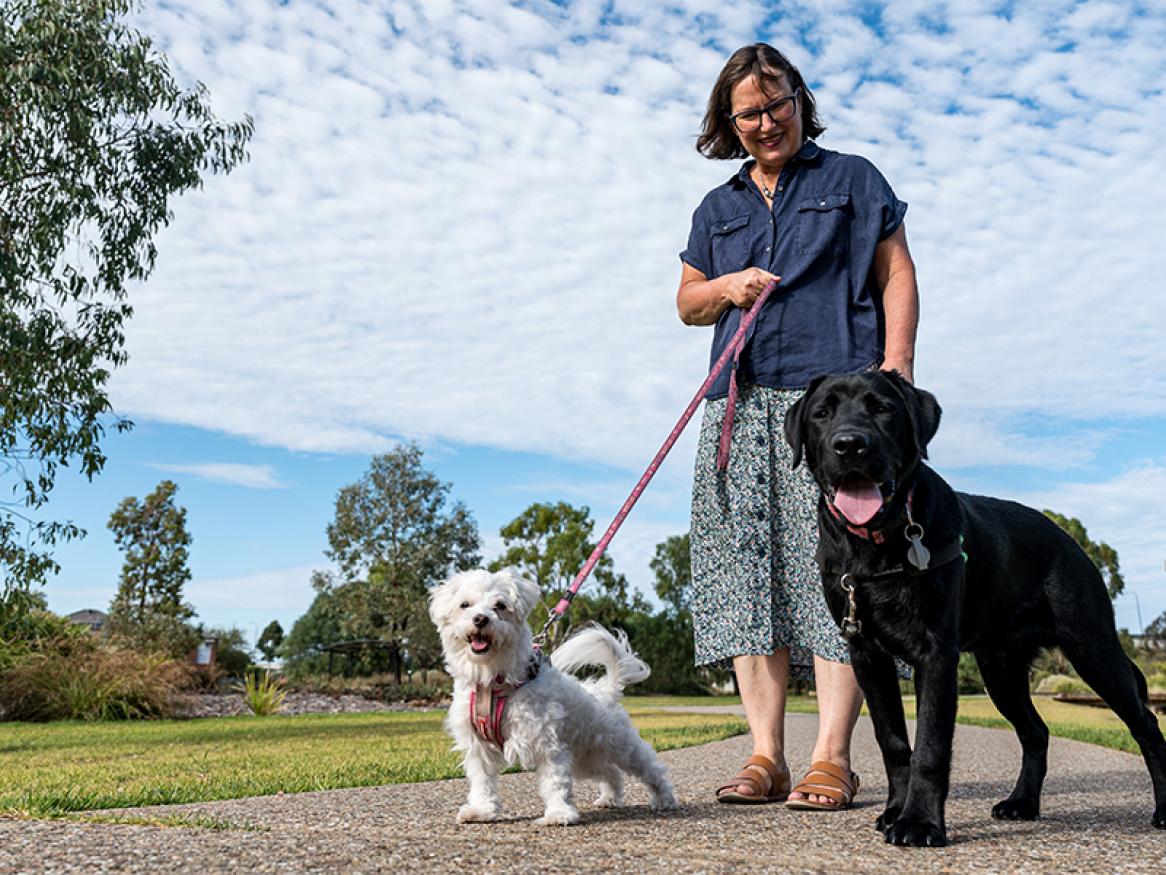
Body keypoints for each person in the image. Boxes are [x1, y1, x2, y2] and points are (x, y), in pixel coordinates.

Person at [677, 43, 918, 809]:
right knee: (747, 580)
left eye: (775, 104)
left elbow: (897, 271)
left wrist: (898, 368)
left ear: (798, 100)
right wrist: (726, 285)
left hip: (832, 409)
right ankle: (764, 754)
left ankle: (831, 758)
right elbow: (687, 303)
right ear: (729, 120)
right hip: (737, 408)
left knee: (840, 580)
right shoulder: (717, 208)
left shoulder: (852, 179)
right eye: (747, 111)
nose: (764, 121)